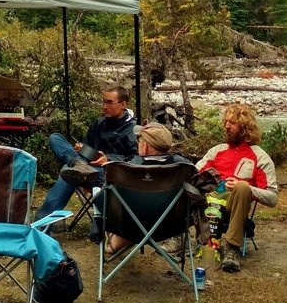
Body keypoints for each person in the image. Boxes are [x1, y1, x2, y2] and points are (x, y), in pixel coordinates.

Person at [196, 103, 277, 273]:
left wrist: (248, 187)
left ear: (245, 126)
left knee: (241, 187)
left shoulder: (260, 157)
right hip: (210, 203)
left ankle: (232, 248)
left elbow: (272, 197)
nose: (226, 126)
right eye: (225, 122)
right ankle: (179, 238)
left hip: (234, 206)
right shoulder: (216, 151)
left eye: (232, 122)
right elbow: (192, 174)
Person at [35, 85, 138, 221]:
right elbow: (89, 148)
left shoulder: (133, 128)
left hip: (110, 173)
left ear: (123, 104)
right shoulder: (99, 123)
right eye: (103, 101)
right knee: (55, 138)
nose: (104, 106)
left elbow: (136, 159)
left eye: (109, 102)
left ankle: (41, 223)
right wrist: (82, 148)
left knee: (69, 171)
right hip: (88, 164)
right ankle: (78, 163)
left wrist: (110, 159)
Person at [103, 122, 191, 253]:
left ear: (144, 147)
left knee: (101, 196)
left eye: (139, 141)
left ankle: (120, 239)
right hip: (170, 228)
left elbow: (105, 202)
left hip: (130, 226)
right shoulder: (184, 167)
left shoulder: (126, 169)